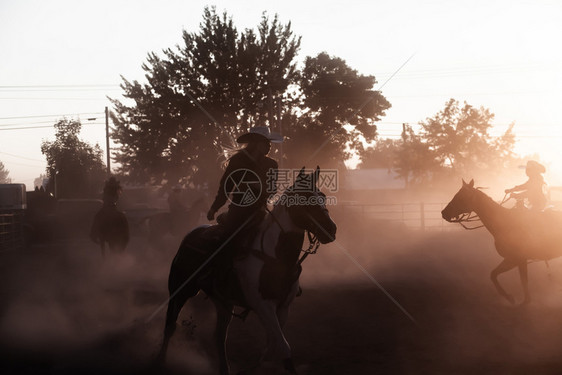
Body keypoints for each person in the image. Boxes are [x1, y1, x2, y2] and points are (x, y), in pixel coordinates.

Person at [206, 126, 282, 259]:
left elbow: (272, 189)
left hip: (261, 208)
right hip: (239, 208)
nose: (270, 147)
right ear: (258, 143)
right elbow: (226, 186)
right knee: (228, 238)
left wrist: (257, 186)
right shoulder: (238, 161)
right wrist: (214, 208)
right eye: (267, 143)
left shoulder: (271, 164)